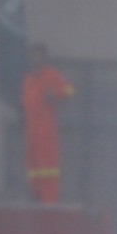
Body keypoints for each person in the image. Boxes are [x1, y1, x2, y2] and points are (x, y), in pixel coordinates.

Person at [21, 42, 75, 204]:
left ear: (45, 57)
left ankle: (50, 200)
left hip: (46, 130)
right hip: (32, 130)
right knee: (33, 166)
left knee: (48, 165)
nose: (35, 58)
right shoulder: (28, 79)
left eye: (39, 55)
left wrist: (56, 94)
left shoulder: (53, 75)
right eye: (33, 55)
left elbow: (71, 89)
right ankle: (35, 196)